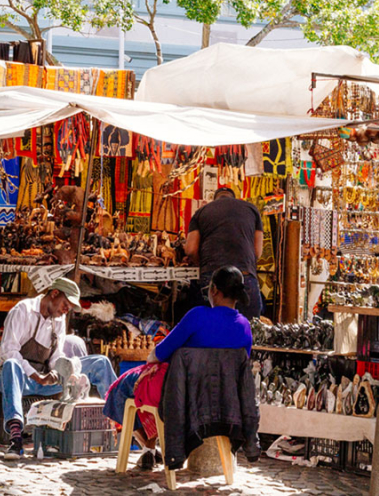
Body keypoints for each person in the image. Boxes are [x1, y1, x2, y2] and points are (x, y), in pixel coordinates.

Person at [103, 266, 253, 470]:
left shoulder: (198, 315)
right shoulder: (244, 326)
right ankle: (150, 447)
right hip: (221, 401)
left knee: (123, 387)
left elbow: (158, 354)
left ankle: (147, 447)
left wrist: (152, 361)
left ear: (215, 291)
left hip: (180, 396)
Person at [0, 277, 117, 460]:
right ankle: (16, 438)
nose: (65, 310)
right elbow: (8, 351)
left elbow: (56, 355)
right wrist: (36, 375)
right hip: (18, 378)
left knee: (100, 362)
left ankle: (120, 423)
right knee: (11, 364)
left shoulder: (57, 320)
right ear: (54, 294)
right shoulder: (23, 310)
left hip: (44, 378)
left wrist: (59, 370)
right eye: (65, 304)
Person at [185, 186, 264, 319]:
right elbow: (258, 251)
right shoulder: (252, 210)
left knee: (212, 328)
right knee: (250, 328)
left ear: (215, 199)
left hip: (213, 276)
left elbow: (191, 250)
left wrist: (202, 264)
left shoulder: (201, 212)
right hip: (244, 275)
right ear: (233, 198)